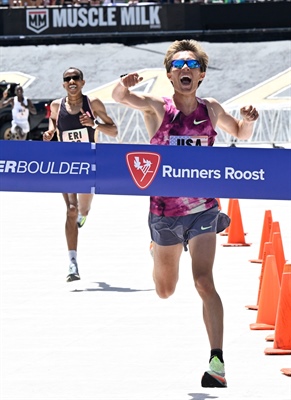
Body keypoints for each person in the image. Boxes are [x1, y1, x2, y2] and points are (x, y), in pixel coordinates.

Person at [112, 39, 259, 388]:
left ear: (202, 74)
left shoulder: (210, 109)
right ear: (168, 75)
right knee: (165, 290)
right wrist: (124, 83)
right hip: (165, 211)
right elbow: (120, 98)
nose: (185, 71)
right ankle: (158, 249)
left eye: (191, 66)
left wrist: (247, 120)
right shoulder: (157, 108)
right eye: (178, 66)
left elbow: (241, 133)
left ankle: (217, 362)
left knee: (204, 281)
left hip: (203, 209)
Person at [44, 67, 117, 282]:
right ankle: (72, 262)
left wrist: (94, 124)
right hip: (66, 165)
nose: (72, 81)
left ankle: (85, 215)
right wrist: (49, 134)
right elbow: (52, 128)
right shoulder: (57, 106)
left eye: (76, 77)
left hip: (89, 164)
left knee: (83, 209)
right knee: (71, 210)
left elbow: (113, 130)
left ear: (83, 82)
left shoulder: (92, 104)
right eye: (67, 79)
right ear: (63, 84)